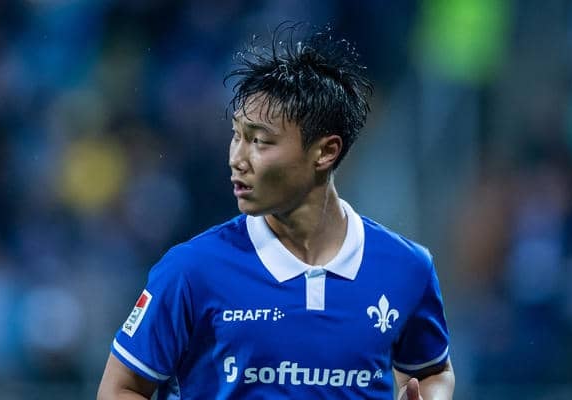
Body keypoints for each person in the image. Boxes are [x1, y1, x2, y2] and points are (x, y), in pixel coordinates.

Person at [98, 23, 455, 400]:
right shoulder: (190, 270)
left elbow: (434, 371)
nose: (237, 159)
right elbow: (121, 388)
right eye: (237, 136)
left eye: (260, 141)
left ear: (326, 151)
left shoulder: (407, 268)